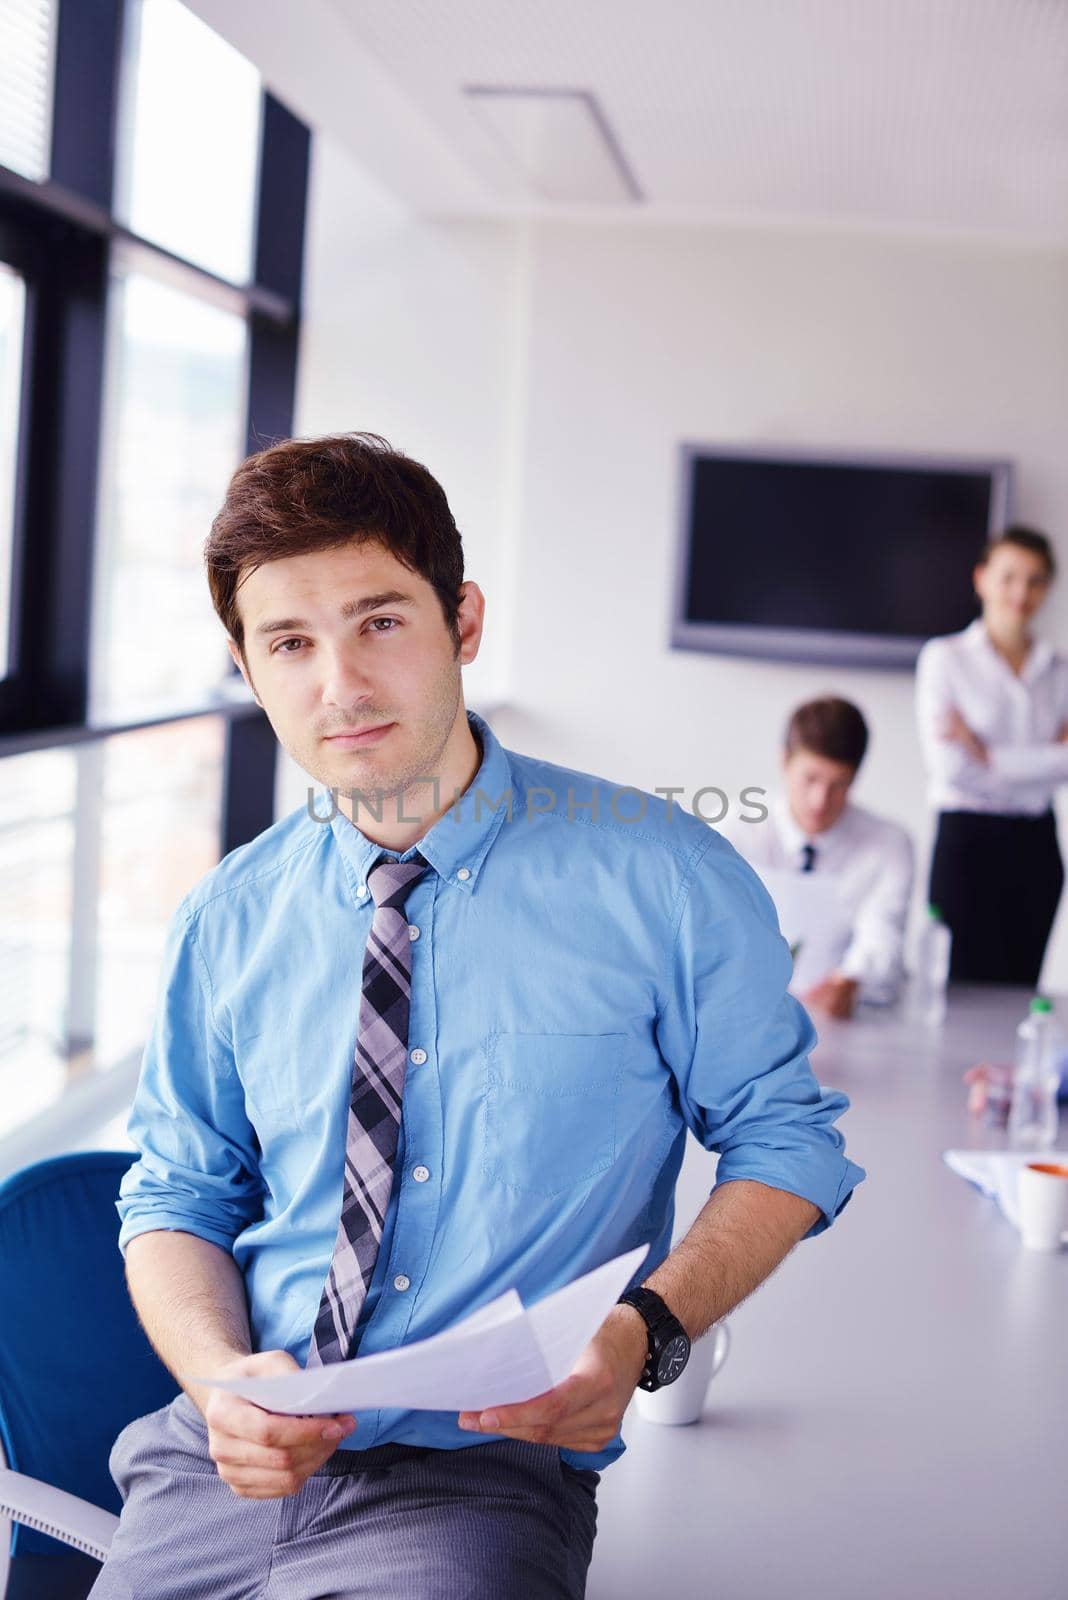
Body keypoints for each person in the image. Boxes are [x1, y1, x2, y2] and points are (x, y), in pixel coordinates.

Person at [91, 433, 863, 1600]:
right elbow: (178, 1192)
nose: (339, 685)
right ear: (247, 668)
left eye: (381, 622)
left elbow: (790, 1140)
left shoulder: (665, 877)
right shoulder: (227, 916)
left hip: (484, 1473)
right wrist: (215, 1383)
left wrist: (645, 1329)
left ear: (464, 621)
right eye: (290, 643)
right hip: (224, 1466)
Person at [915, 525, 1068, 986]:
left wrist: (986, 754)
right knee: (961, 991)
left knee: (1019, 992)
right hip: (968, 842)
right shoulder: (946, 658)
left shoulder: (1058, 670)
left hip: (1037, 846)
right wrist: (1042, 759)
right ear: (982, 578)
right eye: (1009, 577)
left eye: (1036, 579)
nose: (1021, 592)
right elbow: (951, 768)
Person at [724, 697, 914, 1020]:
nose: (820, 800)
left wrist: (853, 978)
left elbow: (883, 936)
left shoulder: (888, 845)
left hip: (842, 1022)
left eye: (838, 784)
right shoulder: (734, 830)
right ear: (784, 762)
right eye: (810, 779)